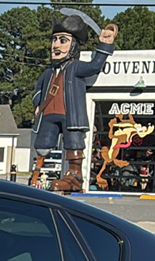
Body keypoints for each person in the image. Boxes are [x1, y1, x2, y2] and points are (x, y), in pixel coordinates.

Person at [29, 13, 117, 193]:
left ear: (73, 45)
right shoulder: (48, 72)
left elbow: (94, 66)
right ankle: (37, 174)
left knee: (73, 142)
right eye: (54, 40)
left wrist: (105, 44)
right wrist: (38, 103)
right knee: (43, 143)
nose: (56, 45)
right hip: (48, 114)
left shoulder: (75, 67)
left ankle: (75, 176)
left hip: (71, 114)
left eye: (62, 40)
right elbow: (38, 90)